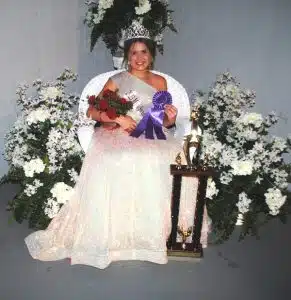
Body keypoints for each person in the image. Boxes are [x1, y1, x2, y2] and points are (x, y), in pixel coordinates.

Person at [24, 22, 186, 269]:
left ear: (152, 54)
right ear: (127, 56)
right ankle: (113, 233)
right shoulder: (116, 79)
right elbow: (92, 111)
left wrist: (170, 119)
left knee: (160, 159)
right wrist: (118, 117)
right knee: (117, 159)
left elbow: (157, 119)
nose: (139, 57)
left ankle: (151, 233)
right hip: (116, 133)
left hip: (149, 133)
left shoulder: (161, 82)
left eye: (144, 52)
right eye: (134, 52)